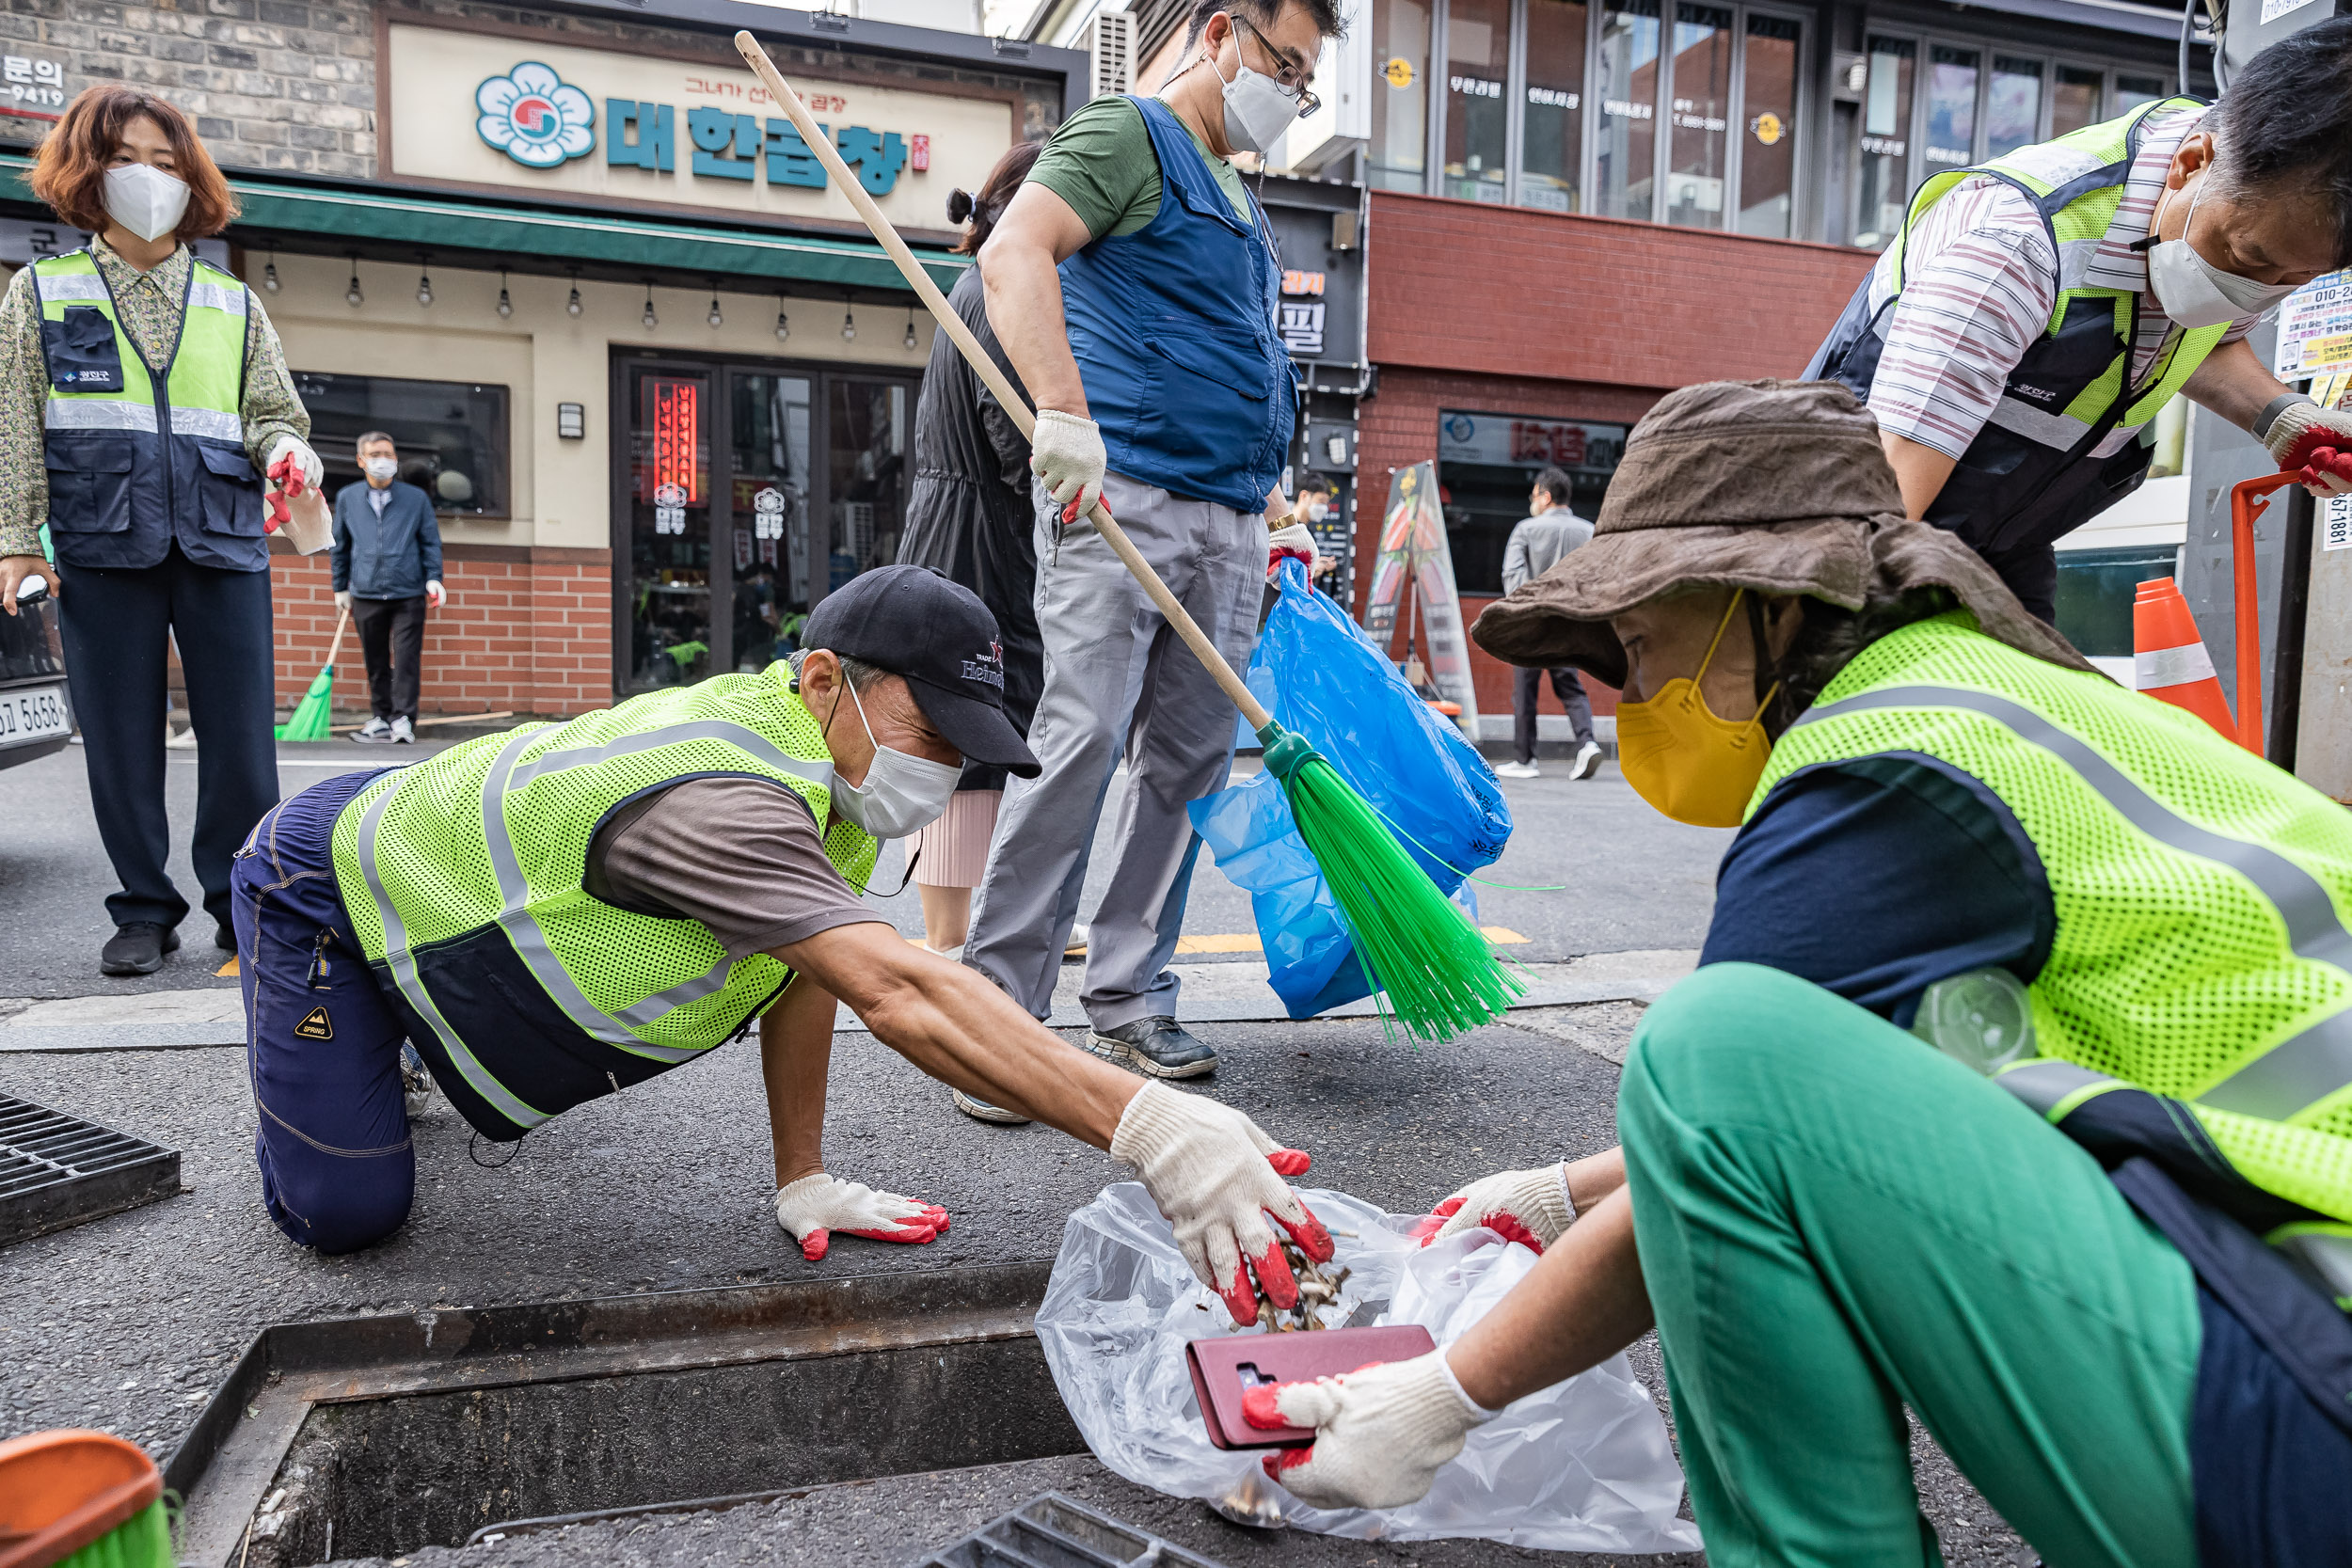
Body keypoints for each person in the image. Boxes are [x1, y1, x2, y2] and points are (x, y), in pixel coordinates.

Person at [1243, 381, 2352, 1566]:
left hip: (2307, 1412)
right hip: (2304, 1305)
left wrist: (1439, 1397)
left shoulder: (1874, 773)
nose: (1629, 690)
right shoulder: (2030, 703)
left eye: (1638, 641)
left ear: (1763, 604)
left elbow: (1727, 1130)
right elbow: (1898, 1096)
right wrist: (1562, 1187)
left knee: (1710, 1046)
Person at [231, 564, 1331, 1323]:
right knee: (347, 1213)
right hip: (326, 887)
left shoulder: (826, 777)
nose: (944, 774)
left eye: (966, 750)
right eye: (929, 735)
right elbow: (899, 992)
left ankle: (397, 1039)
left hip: (445, 875)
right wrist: (1150, 1126)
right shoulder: (730, 802)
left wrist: (800, 1177)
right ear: (822, 680)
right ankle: (360, 1027)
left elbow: (803, 974)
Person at [965, 0, 1337, 1090]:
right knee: (1080, 739)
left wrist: (1267, 509)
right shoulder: (1127, 136)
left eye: (1304, 81)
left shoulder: (1240, 196)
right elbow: (1014, 251)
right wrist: (1064, 412)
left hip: (1225, 516)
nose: (1287, 93)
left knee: (1184, 764)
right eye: (1282, 63)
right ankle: (996, 1019)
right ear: (1220, 34)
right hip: (1121, 494)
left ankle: (1129, 997)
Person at [1806, 22, 2352, 623]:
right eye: (2251, 260)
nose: (2255, 293)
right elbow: (1885, 498)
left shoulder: (2217, 216)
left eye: (2295, 280)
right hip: (1870, 521)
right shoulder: (2017, 245)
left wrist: (2279, 417)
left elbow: (2200, 335)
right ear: (2193, 163)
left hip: (2007, 535)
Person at [0, 86, 319, 976]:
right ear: (87, 172)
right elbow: (17, 423)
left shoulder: (233, 303)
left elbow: (272, 414)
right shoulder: (42, 292)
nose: (148, 176)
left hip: (221, 539)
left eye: (167, 162)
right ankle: (143, 906)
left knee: (243, 743)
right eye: (126, 158)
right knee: (117, 738)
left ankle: (239, 897)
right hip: (99, 540)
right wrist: (15, 537)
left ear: (194, 180)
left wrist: (292, 449)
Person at [896, 140, 1076, 1018]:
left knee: (981, 734)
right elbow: (1016, 446)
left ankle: (973, 920)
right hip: (978, 541)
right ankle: (946, 937)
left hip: (962, 530)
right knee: (964, 738)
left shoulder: (979, 287)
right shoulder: (998, 290)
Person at [333, 430, 444, 746]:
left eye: (389, 455)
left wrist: (434, 578)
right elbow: (340, 546)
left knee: (407, 658)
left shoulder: (415, 499)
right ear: (361, 460)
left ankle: (403, 719)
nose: (383, 461)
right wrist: (340, 587)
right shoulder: (348, 498)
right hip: (365, 590)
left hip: (408, 591)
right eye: (376, 454)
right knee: (376, 659)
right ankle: (381, 717)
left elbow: (430, 542)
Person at [1492, 467, 1599, 782]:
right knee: (1570, 686)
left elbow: (1513, 576)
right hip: (1569, 621)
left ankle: (1525, 760)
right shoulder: (1589, 532)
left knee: (1525, 690)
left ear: (1546, 496)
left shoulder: (1526, 529)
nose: (1532, 501)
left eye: (1534, 495)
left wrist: (1524, 611)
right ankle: (1587, 742)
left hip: (1531, 622)